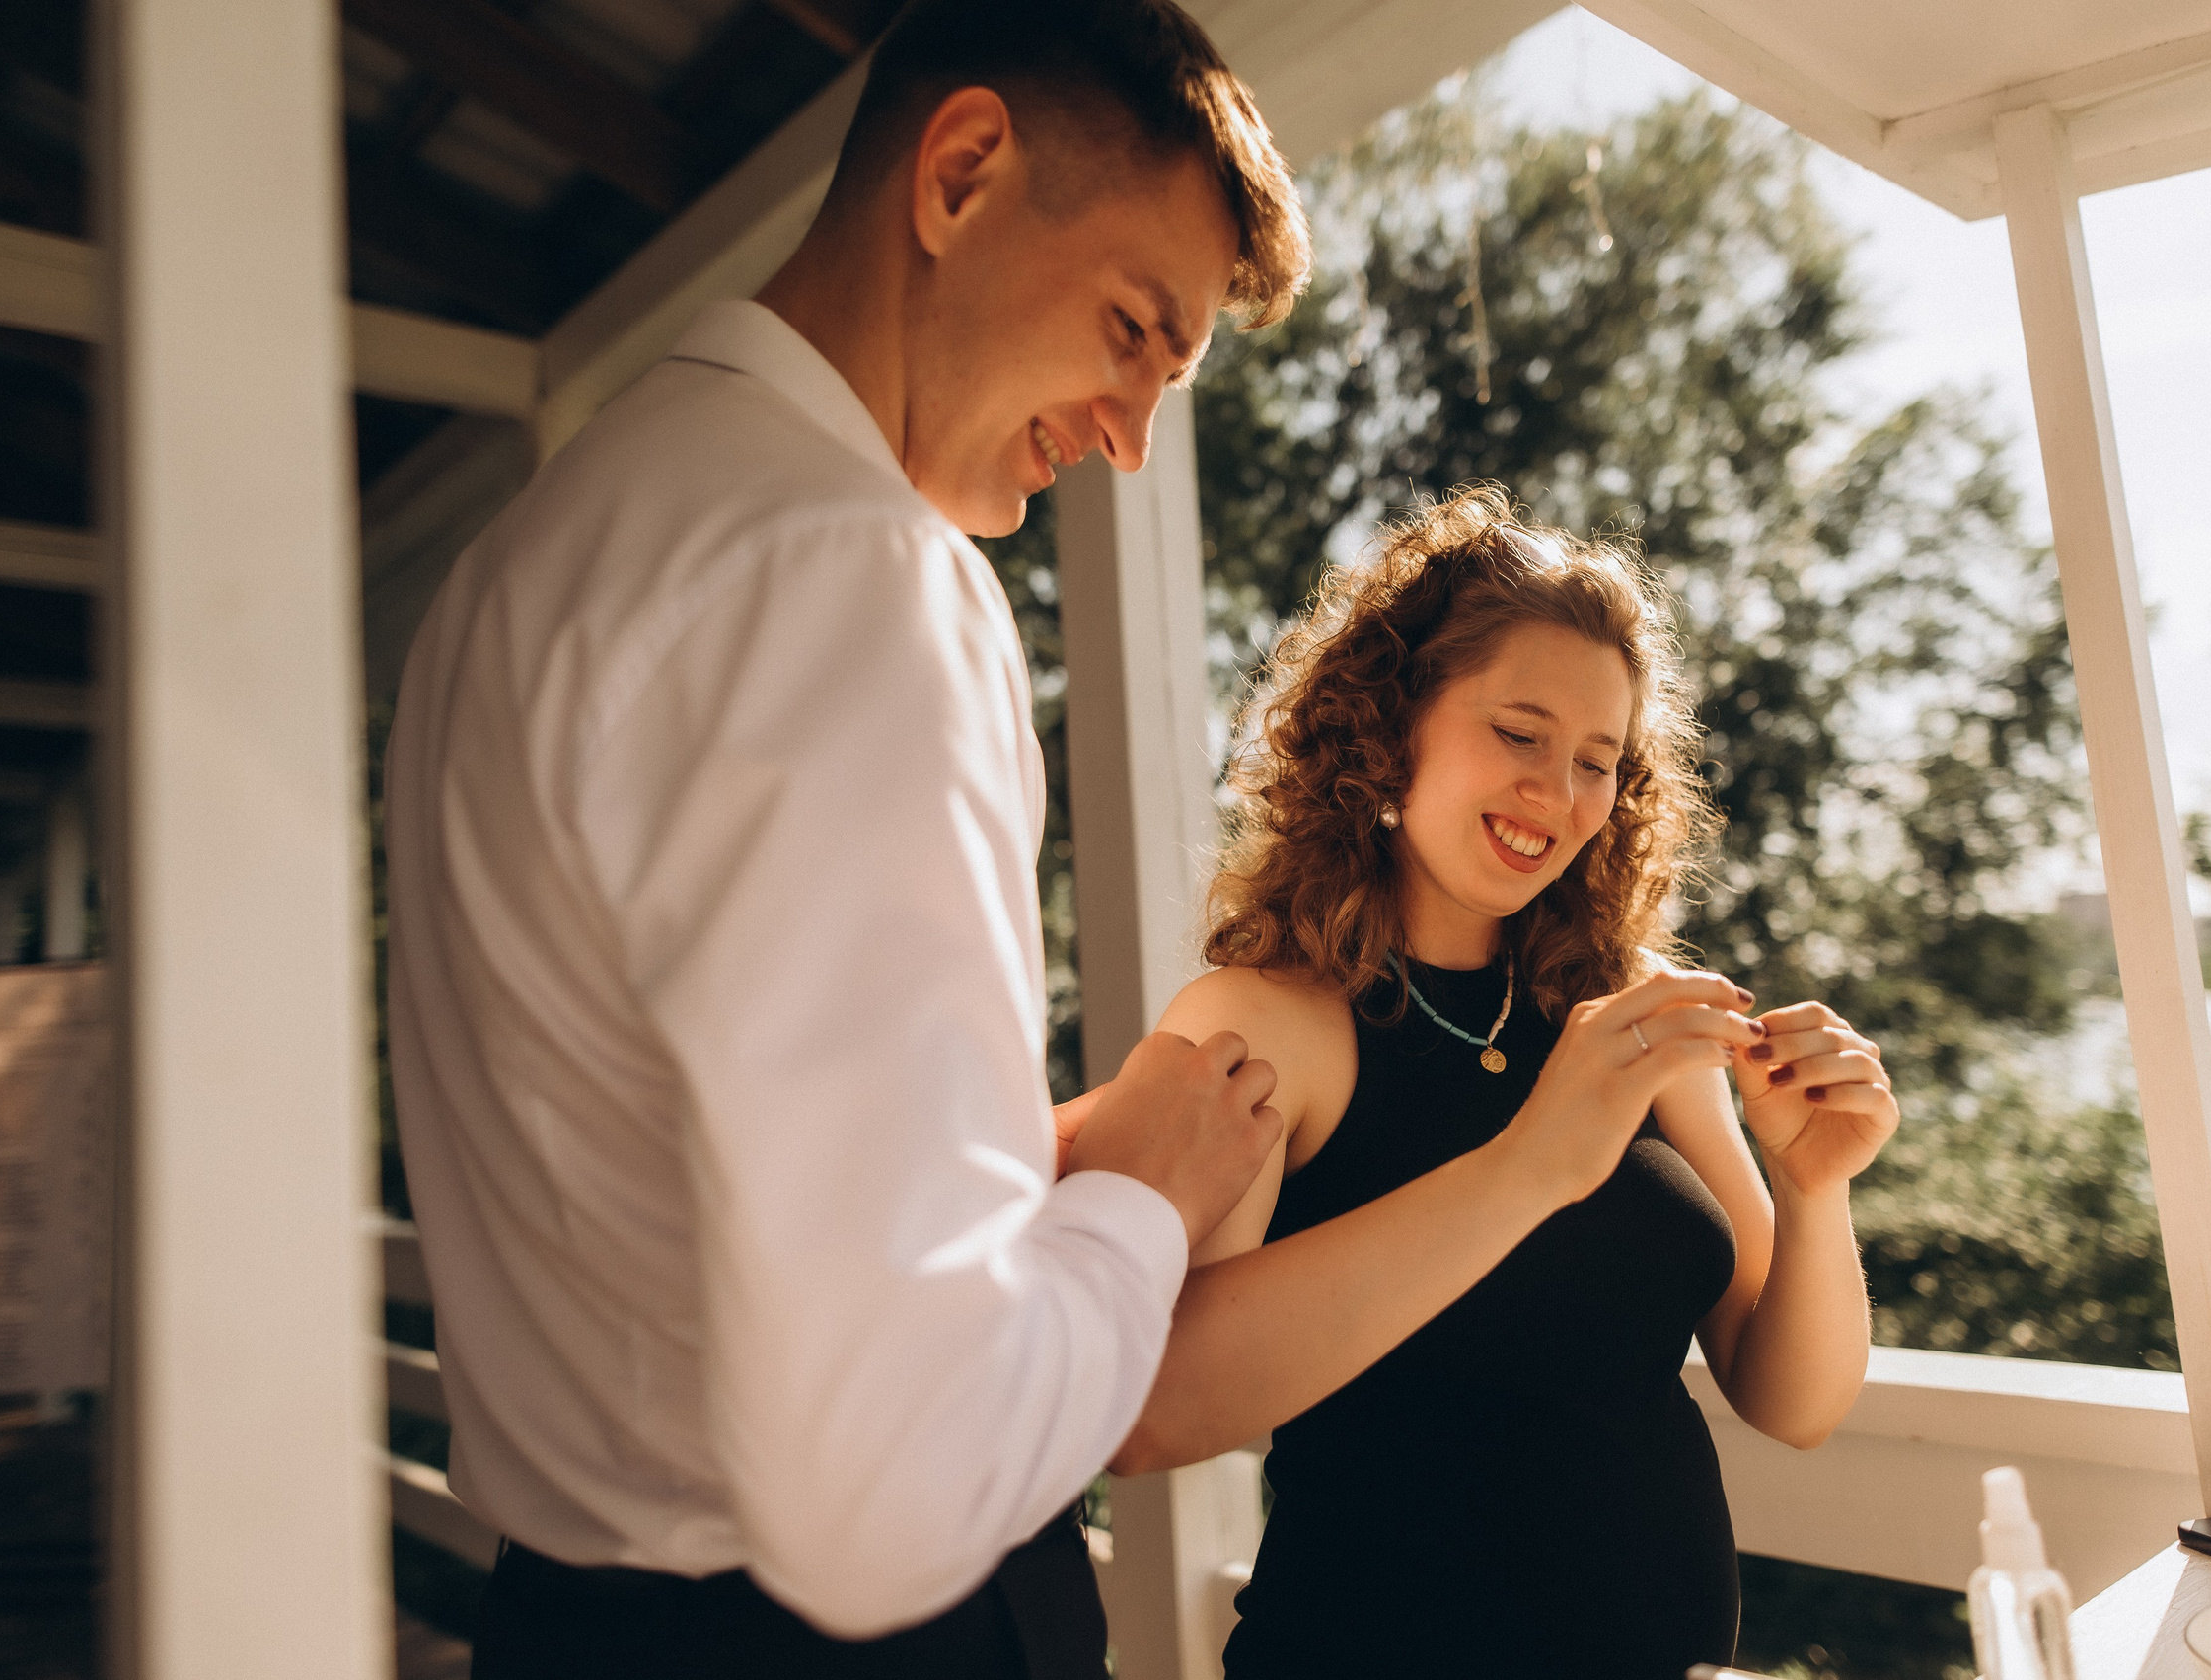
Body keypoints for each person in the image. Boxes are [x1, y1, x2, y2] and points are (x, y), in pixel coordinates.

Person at [381, 3, 1309, 1675]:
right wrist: (1147, 1205)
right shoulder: (853, 576)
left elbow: (655, 1150)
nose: (1127, 434)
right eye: (1129, 328)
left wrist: (1020, 1158)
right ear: (960, 173)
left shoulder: (528, 568)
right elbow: (894, 1478)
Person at [1107, 487, 1901, 1677]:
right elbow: (1159, 1405)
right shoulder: (1262, 1024)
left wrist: (1814, 1185)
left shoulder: (1631, 1007)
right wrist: (1529, 1164)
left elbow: (1793, 1401)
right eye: (1520, 733)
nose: (1561, 793)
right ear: (1391, 728)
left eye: (1598, 760)